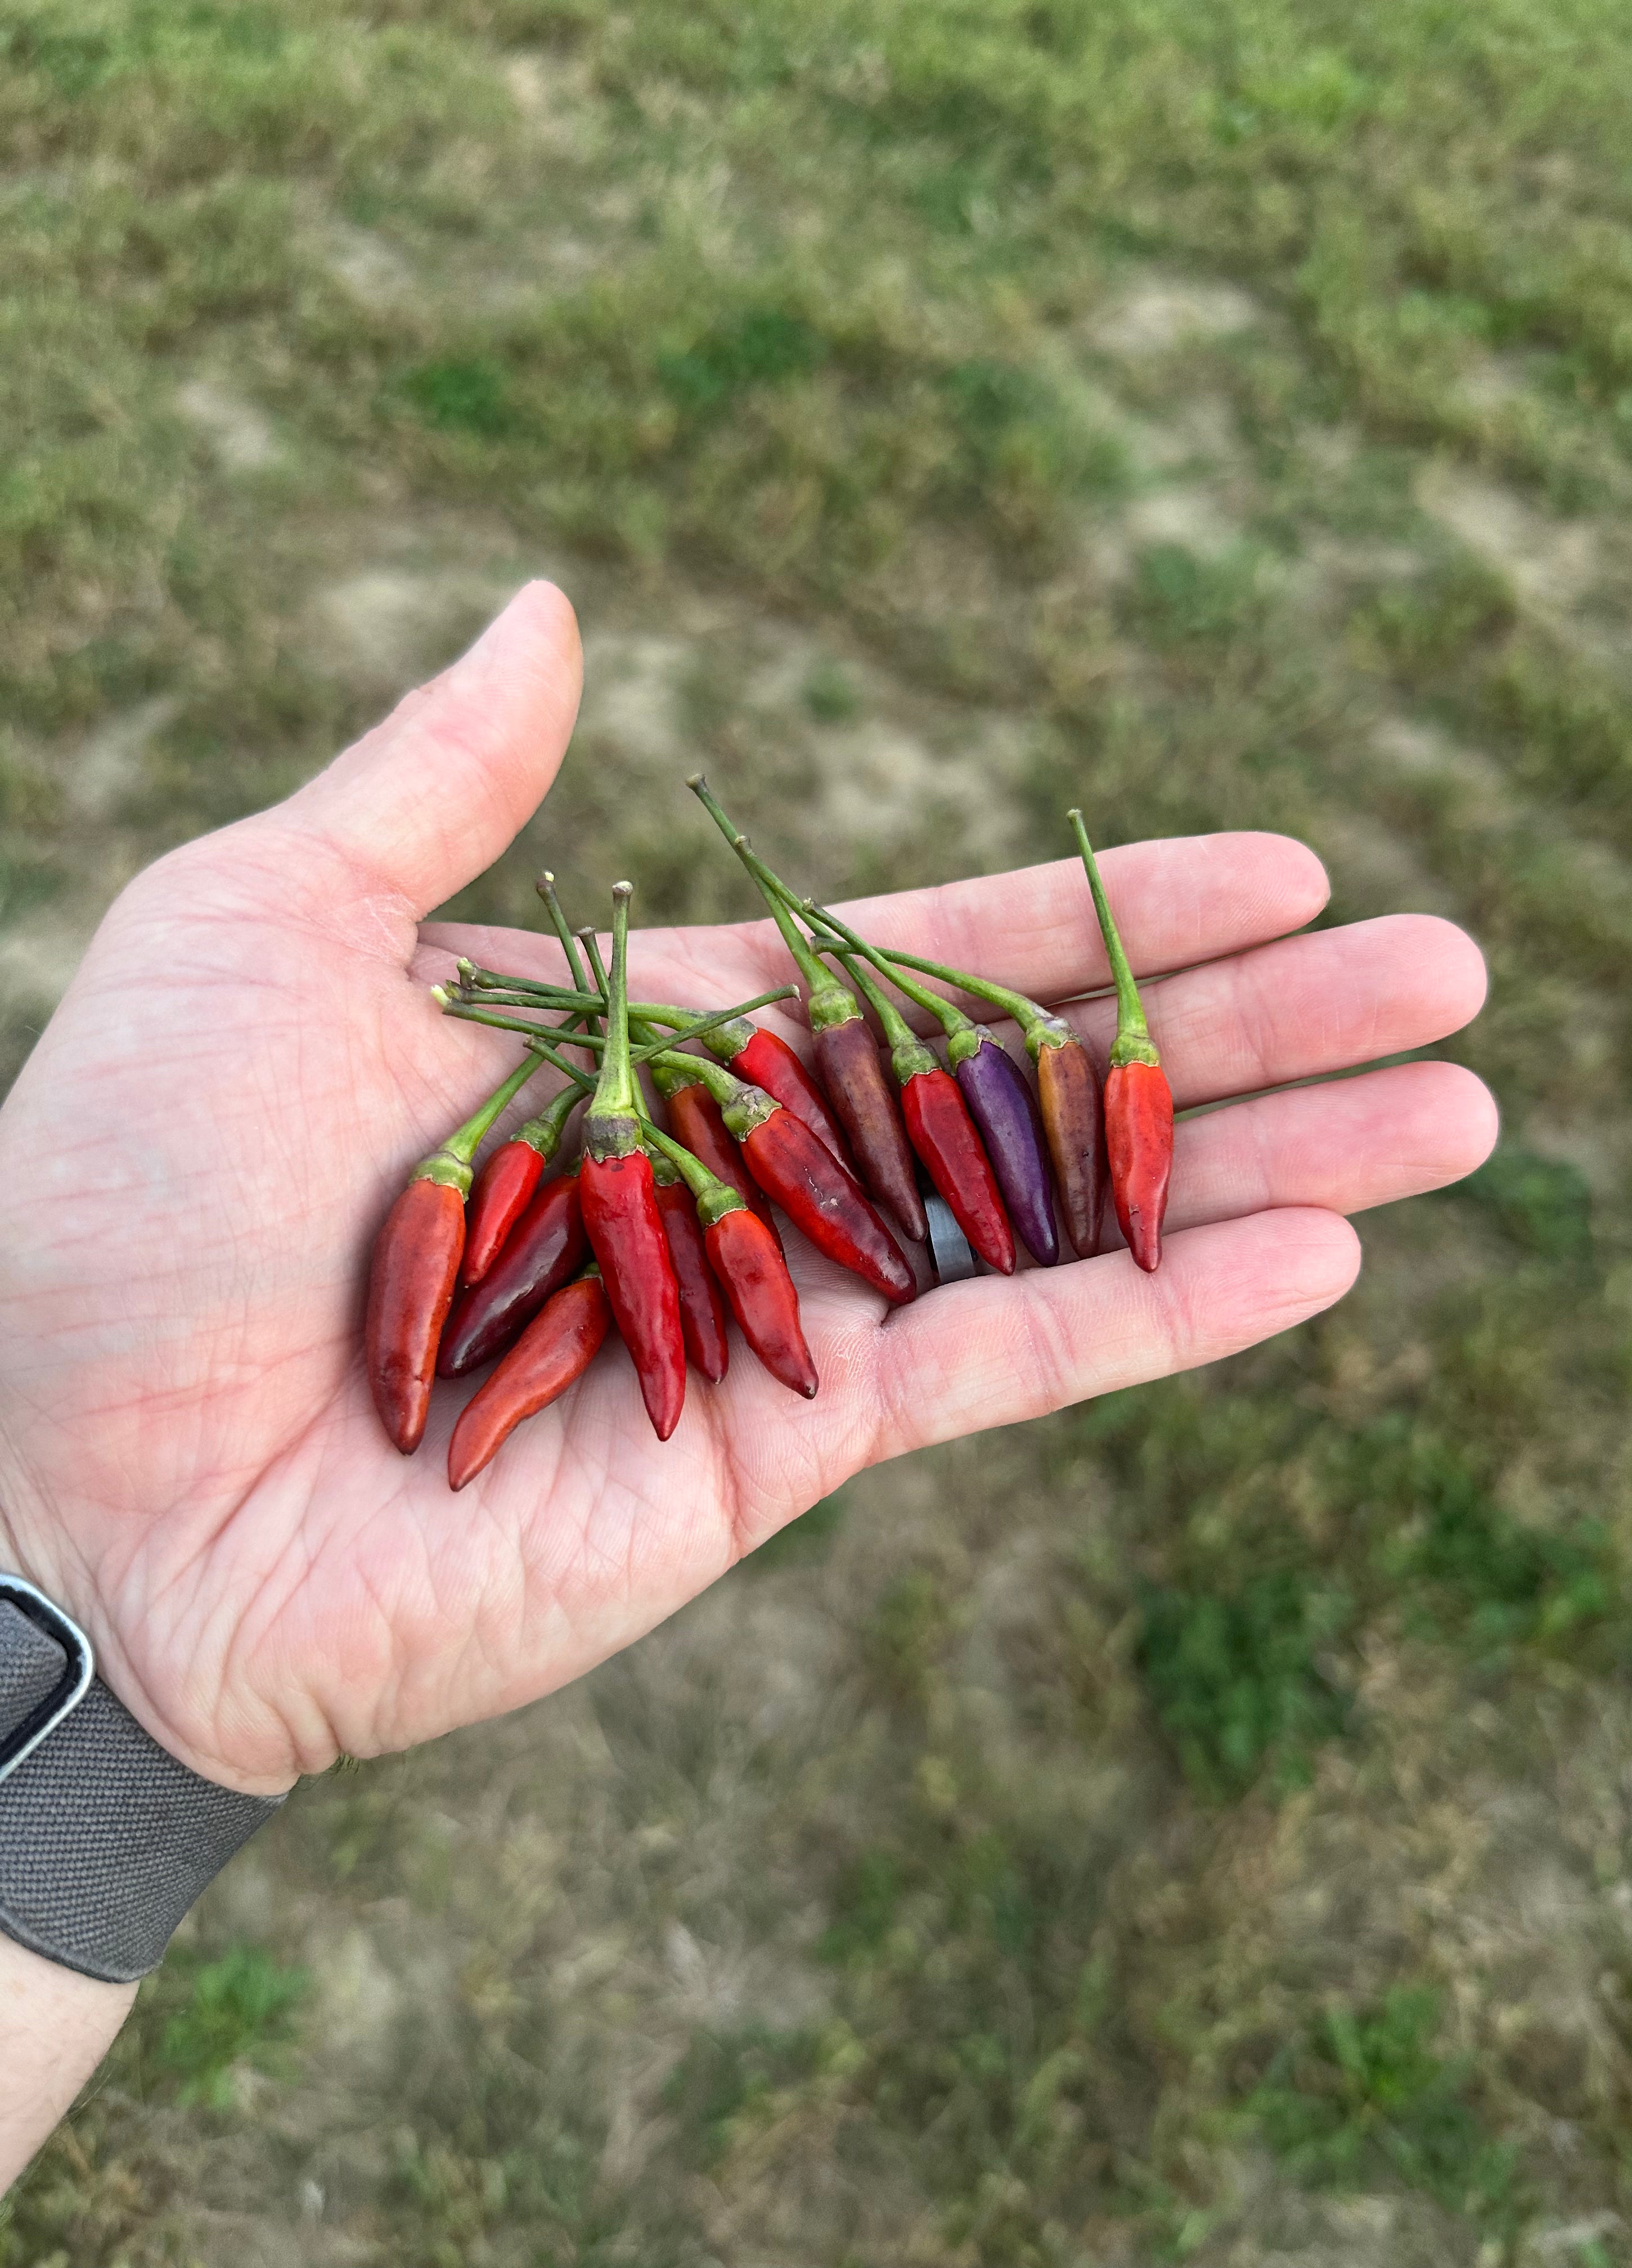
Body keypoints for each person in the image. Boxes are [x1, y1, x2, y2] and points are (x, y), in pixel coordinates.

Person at [0, 583, 1494, 2179]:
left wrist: (106, 1646)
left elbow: (748, 1265)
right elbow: (633, 1303)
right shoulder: (607, 1191)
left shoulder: (782, 1122)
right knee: (628, 1281)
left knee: (751, 1245)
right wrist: (116, 1630)